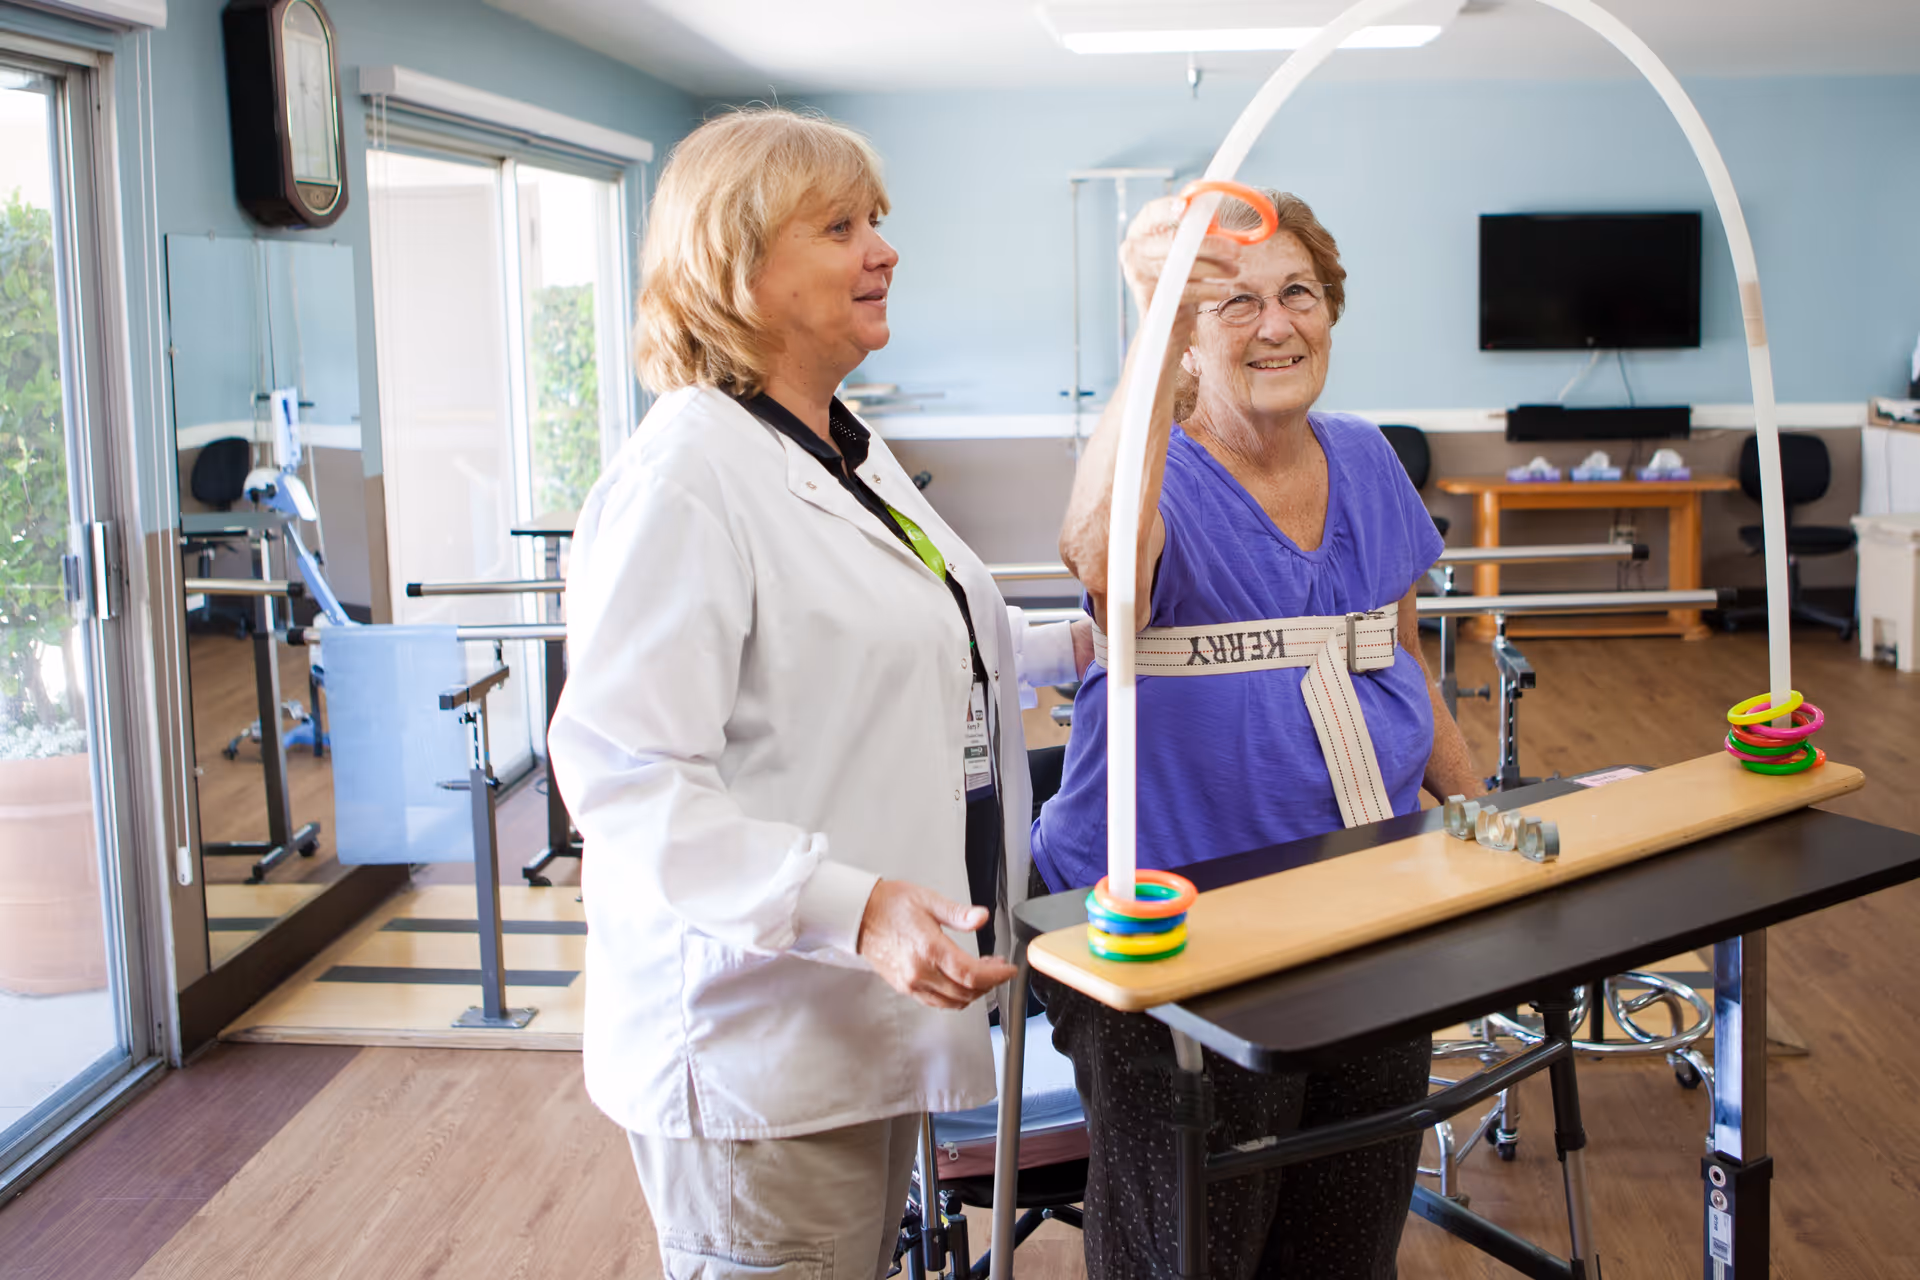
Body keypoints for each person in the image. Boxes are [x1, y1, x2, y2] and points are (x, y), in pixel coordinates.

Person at [547, 107, 1084, 1280]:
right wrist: (853, 908)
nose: (882, 249)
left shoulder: (832, 441)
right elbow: (627, 779)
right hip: (755, 1050)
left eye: (876, 221)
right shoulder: (687, 477)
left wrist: (1073, 649)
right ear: (735, 269)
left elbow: (915, 633)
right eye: (839, 226)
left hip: (856, 1020)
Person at [1031, 189, 1483, 1280]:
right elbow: (1104, 571)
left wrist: (1481, 818)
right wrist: (1153, 310)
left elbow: (1402, 657)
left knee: (1346, 1236)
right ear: (1182, 333)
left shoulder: (1370, 459)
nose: (1277, 324)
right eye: (1232, 303)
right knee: (1194, 1251)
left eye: (1298, 293)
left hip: (1364, 900)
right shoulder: (1158, 474)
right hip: (1174, 930)